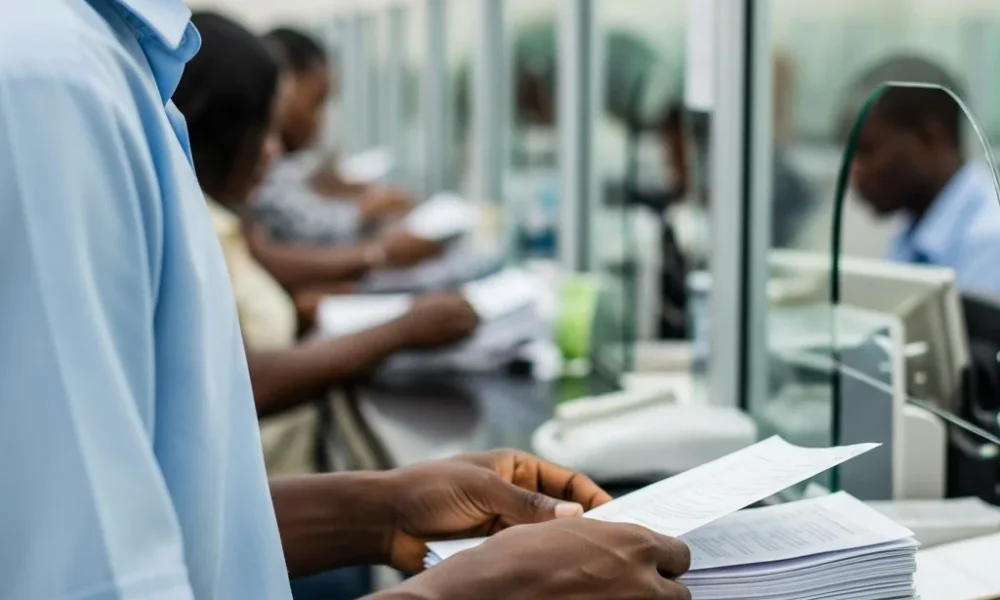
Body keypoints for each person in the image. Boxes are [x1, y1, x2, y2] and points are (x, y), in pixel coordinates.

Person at [0, 3, 691, 600]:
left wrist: (378, 512)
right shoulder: (50, 84)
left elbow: (144, 511)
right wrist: (486, 587)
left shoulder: (103, 64)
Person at [172, 12, 479, 477]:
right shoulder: (198, 231)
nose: (275, 153)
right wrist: (402, 329)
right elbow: (239, 381)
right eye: (264, 132)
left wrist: (299, 311)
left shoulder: (220, 223)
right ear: (219, 130)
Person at [840, 55, 1000, 294]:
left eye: (866, 150)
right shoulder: (914, 231)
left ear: (930, 139)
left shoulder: (989, 243)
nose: (854, 171)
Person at [256, 27, 417, 246]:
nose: (320, 120)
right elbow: (297, 231)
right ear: (286, 86)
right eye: (317, 102)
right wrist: (372, 239)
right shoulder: (255, 161)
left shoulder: (284, 159)